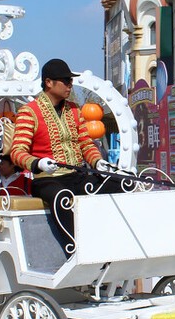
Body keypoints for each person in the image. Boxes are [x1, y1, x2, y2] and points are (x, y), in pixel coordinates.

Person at [10, 57, 116, 238]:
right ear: (49, 82)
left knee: (117, 184)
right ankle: (75, 248)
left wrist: (97, 162)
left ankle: (109, 239)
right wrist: (38, 163)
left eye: (71, 81)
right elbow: (17, 151)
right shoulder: (30, 112)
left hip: (77, 175)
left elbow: (85, 143)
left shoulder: (74, 109)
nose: (70, 85)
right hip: (48, 180)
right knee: (62, 197)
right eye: (66, 81)